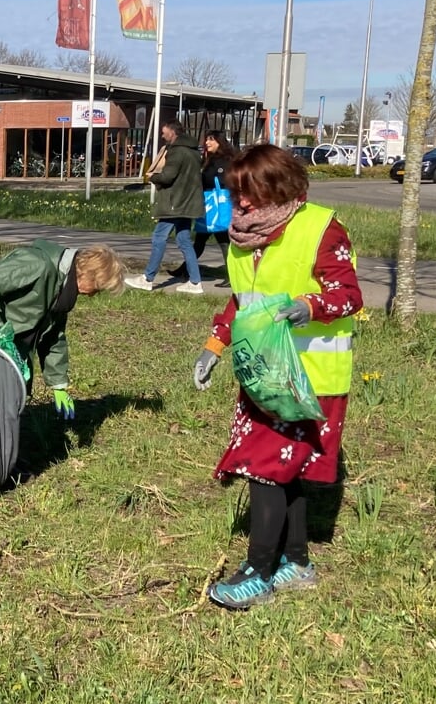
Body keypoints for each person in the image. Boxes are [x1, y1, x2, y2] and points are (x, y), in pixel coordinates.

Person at [192, 144, 362, 610]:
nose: (240, 204)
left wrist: (309, 306)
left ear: (278, 187)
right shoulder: (244, 237)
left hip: (310, 378)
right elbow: (242, 301)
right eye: (236, 194)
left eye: (249, 194)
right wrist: (214, 346)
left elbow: (349, 295)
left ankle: (258, 572)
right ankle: (297, 563)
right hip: (265, 375)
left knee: (265, 467)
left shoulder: (321, 228)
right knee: (285, 470)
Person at [0, 242, 128, 419]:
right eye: (97, 288)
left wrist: (58, 384)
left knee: (2, 395)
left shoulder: (62, 290)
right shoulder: (36, 264)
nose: (93, 295)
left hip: (1, 338)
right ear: (87, 273)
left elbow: (53, 338)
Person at [126, 120, 204, 294]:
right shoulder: (193, 151)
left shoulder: (176, 152)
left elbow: (168, 177)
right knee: (184, 241)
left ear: (173, 132)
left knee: (158, 237)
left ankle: (147, 278)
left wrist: (152, 177)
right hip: (188, 202)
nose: (162, 135)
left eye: (164, 132)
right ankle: (195, 282)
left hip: (174, 202)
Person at [171, 130, 236, 282]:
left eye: (211, 140)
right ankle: (184, 269)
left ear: (220, 141)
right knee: (201, 241)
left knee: (223, 241)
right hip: (210, 207)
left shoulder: (224, 160)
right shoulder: (210, 159)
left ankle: (232, 276)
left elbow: (220, 180)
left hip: (217, 206)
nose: (207, 143)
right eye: (206, 139)